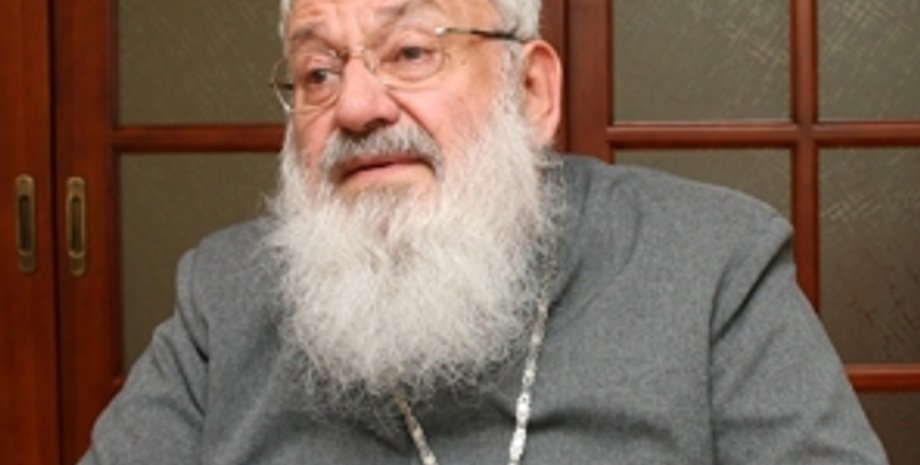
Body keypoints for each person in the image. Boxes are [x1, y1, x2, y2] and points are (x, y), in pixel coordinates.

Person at [79, 0, 889, 463]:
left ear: (531, 91)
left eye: (411, 52)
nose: (356, 107)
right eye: (318, 71)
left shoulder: (711, 263)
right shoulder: (222, 296)